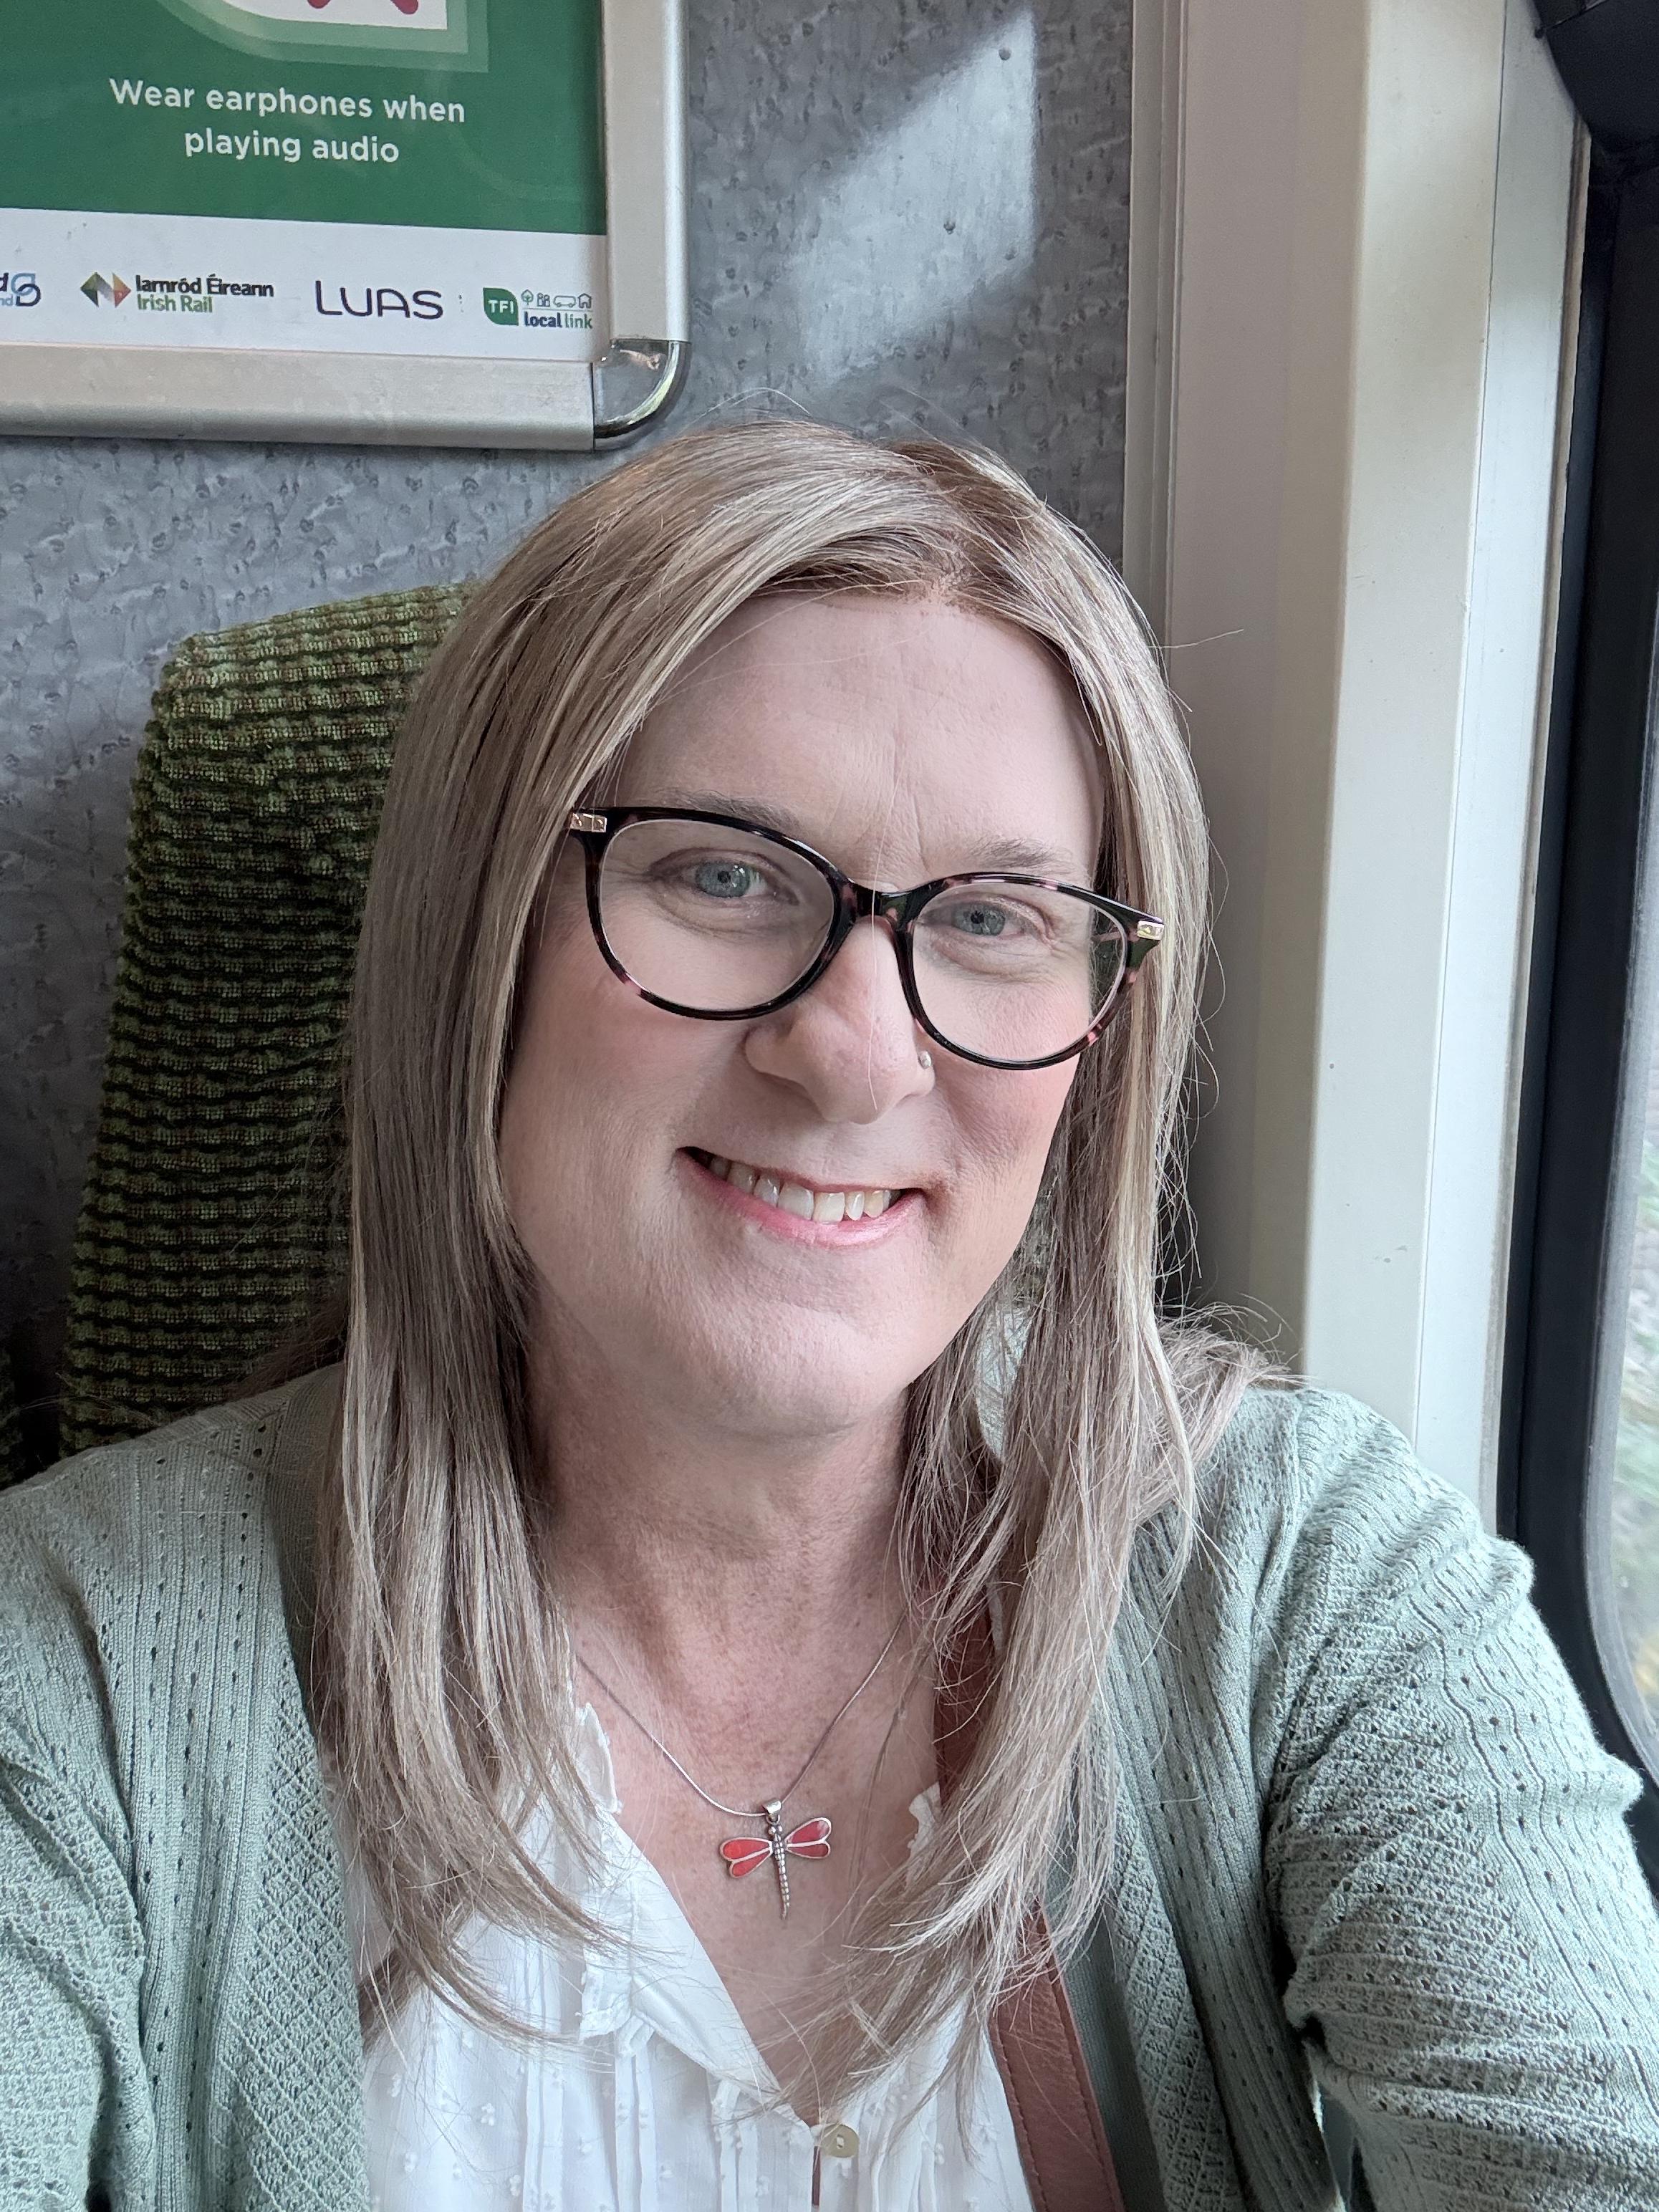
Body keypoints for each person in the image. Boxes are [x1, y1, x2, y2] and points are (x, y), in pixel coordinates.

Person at [2, 419, 1657, 2212]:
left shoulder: (1303, 1573)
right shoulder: (73, 1660)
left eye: (997, 916)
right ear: (478, 945)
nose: (861, 1052)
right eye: (723, 872)